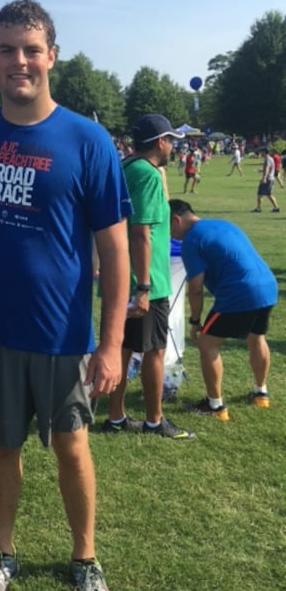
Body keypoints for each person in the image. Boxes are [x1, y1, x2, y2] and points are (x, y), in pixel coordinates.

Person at [0, 0, 132, 591]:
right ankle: (2, 553)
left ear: (52, 55)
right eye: (7, 49)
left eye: (32, 49)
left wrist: (110, 344)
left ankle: (85, 559)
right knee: (2, 446)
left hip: (61, 334)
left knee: (72, 445)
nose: (20, 61)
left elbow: (115, 252)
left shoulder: (87, 139)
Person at [104, 114, 195, 441]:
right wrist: (143, 286)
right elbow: (142, 231)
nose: (172, 146)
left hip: (124, 276)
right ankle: (155, 420)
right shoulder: (147, 175)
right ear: (160, 142)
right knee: (154, 351)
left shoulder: (126, 167)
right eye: (170, 140)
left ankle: (116, 416)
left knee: (124, 350)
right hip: (146, 281)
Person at [169, 199, 278, 419]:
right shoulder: (224, 224)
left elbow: (196, 289)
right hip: (267, 286)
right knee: (257, 338)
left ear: (176, 220)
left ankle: (215, 406)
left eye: (167, 227)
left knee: (207, 343)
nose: (170, 234)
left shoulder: (191, 240)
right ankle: (261, 394)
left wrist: (195, 321)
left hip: (239, 293)